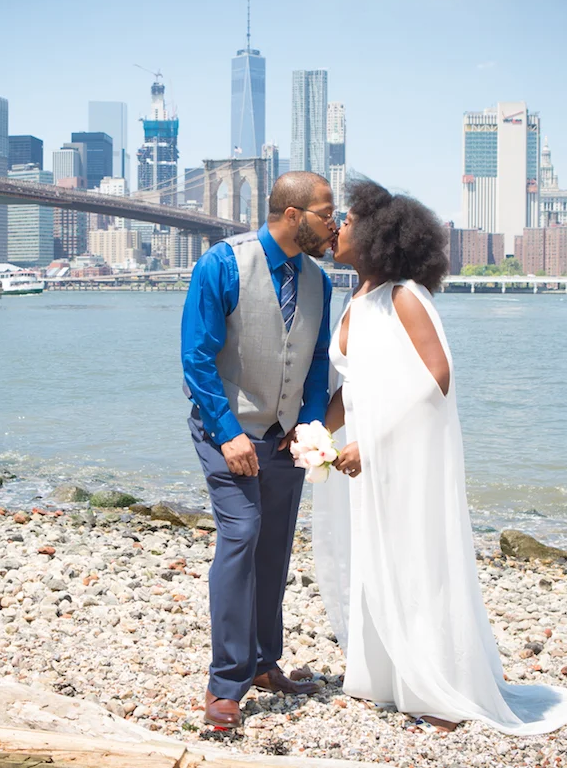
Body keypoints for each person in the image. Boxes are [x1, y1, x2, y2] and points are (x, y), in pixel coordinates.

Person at [314, 180, 567, 733]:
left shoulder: (405, 296)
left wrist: (371, 442)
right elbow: (354, 386)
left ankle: (441, 690)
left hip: (402, 458)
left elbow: (435, 377)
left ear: (374, 234)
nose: (337, 228)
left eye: (346, 220)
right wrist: (315, 431)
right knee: (376, 556)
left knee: (418, 562)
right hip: (364, 458)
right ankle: (389, 677)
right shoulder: (354, 302)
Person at [180, 171, 337, 729]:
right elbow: (196, 356)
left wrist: (311, 426)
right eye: (326, 213)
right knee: (242, 535)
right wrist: (226, 431)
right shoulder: (222, 263)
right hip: (227, 431)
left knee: (274, 546)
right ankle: (225, 685)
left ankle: (265, 662)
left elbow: (316, 360)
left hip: (287, 436)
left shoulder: (319, 281)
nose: (334, 223)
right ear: (293, 215)